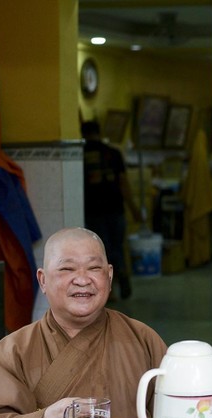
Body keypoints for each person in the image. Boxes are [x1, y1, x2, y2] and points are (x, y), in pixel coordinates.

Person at [0, 228, 167, 418]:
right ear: (43, 280)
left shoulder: (143, 339)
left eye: (94, 268)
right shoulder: (12, 351)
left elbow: (178, 416)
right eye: (67, 269)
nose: (82, 280)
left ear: (109, 276)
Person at [82, 120, 139, 300]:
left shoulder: (81, 155)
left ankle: (110, 291)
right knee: (117, 246)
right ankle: (122, 273)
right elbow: (123, 183)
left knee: (101, 251)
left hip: (93, 211)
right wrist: (133, 208)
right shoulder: (113, 153)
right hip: (116, 208)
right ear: (99, 132)